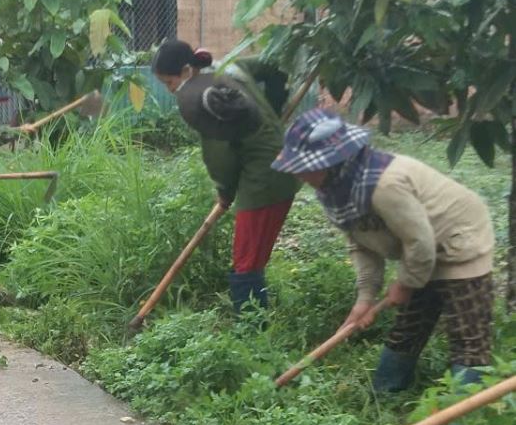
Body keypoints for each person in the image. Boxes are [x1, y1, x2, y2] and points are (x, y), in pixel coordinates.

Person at [272, 110, 496, 390]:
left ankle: (463, 422)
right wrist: (365, 297)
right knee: (409, 325)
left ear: (331, 162)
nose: (298, 173)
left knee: (468, 333)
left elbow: (420, 241)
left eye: (304, 166)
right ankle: (385, 395)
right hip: (419, 248)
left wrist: (406, 283)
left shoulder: (385, 185)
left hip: (460, 238)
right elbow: (362, 244)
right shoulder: (334, 191)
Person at [152, 40, 298, 312]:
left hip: (265, 180)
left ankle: (252, 333)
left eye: (169, 82)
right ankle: (255, 324)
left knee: (246, 263)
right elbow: (274, 64)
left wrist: (225, 190)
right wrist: (275, 107)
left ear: (186, 71)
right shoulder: (232, 68)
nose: (170, 90)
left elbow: (219, 155)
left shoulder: (194, 99)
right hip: (284, 165)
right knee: (251, 258)